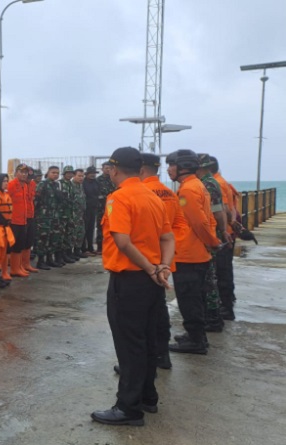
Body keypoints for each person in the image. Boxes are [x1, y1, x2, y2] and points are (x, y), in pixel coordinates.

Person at [91, 147, 174, 427]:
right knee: (149, 341)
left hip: (129, 280)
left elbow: (123, 242)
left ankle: (128, 407)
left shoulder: (118, 198)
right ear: (140, 170)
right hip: (151, 282)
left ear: (114, 169)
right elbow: (167, 238)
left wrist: (152, 268)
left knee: (129, 345)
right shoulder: (154, 198)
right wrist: (162, 267)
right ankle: (148, 397)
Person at [165, 149, 220, 355]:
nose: (168, 169)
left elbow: (198, 222)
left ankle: (196, 340)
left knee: (189, 298)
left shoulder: (187, 190)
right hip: (197, 252)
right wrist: (212, 241)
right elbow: (209, 219)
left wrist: (211, 241)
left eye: (171, 165)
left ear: (183, 167)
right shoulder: (198, 186)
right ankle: (196, 335)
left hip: (189, 252)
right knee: (196, 297)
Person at [140, 153, 188, 370]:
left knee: (141, 316)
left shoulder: (140, 193)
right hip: (165, 261)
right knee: (159, 309)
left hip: (144, 263)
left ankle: (145, 360)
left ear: (140, 168)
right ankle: (162, 356)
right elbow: (178, 226)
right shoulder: (170, 193)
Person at [196, 154, 229, 333]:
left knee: (209, 278)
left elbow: (217, 211)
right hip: (212, 233)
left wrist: (221, 232)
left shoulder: (207, 184)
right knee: (210, 276)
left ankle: (213, 318)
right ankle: (213, 316)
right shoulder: (211, 182)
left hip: (208, 235)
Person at [209, 157, 239, 320]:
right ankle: (228, 301)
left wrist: (224, 228)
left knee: (221, 272)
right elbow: (232, 209)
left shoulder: (216, 184)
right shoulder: (222, 181)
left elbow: (225, 208)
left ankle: (226, 308)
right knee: (225, 270)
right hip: (227, 231)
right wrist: (232, 224)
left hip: (221, 234)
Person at [35, 166, 62, 270]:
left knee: (53, 238)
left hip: (54, 216)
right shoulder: (43, 184)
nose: (55, 174)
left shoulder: (56, 185)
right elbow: (36, 200)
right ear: (48, 173)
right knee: (43, 239)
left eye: (57, 173)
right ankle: (40, 261)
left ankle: (50, 259)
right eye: (53, 172)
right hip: (44, 217)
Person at [7, 165, 31, 277]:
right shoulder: (11, 185)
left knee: (20, 245)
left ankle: (18, 267)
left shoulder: (25, 186)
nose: (24, 174)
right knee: (14, 245)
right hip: (13, 221)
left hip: (23, 221)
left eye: (26, 172)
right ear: (16, 173)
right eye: (21, 172)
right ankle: (13, 268)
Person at [57, 166, 77, 265]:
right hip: (61, 214)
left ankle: (66, 254)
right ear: (64, 173)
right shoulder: (59, 184)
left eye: (71, 173)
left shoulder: (71, 184)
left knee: (68, 234)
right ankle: (59, 256)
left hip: (69, 213)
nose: (69, 175)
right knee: (60, 235)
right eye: (68, 173)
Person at [96, 161, 116, 254]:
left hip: (112, 206)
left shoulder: (113, 179)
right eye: (106, 168)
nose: (108, 170)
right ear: (102, 169)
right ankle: (100, 247)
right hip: (101, 206)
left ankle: (111, 246)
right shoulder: (98, 180)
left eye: (109, 168)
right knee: (101, 226)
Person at [82, 166, 100, 254]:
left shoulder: (96, 182)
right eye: (91, 173)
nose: (93, 175)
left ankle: (90, 247)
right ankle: (83, 248)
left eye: (94, 173)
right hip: (85, 208)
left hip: (93, 208)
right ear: (87, 174)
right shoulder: (83, 183)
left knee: (91, 228)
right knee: (84, 228)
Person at [71, 169, 88, 259]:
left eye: (82, 176)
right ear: (74, 176)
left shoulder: (80, 186)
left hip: (80, 214)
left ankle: (77, 251)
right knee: (72, 234)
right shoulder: (71, 186)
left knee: (81, 233)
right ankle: (70, 252)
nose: (81, 178)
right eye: (79, 176)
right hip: (73, 214)